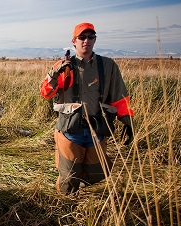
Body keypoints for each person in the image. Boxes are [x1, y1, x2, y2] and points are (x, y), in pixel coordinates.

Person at [40, 22, 134, 195]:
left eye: (91, 37)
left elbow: (120, 97)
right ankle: (66, 204)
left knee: (97, 173)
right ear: (74, 41)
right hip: (70, 130)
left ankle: (82, 192)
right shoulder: (63, 67)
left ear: (95, 40)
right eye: (82, 37)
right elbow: (45, 92)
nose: (86, 41)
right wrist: (55, 74)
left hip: (96, 130)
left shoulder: (108, 66)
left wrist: (128, 122)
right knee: (69, 178)